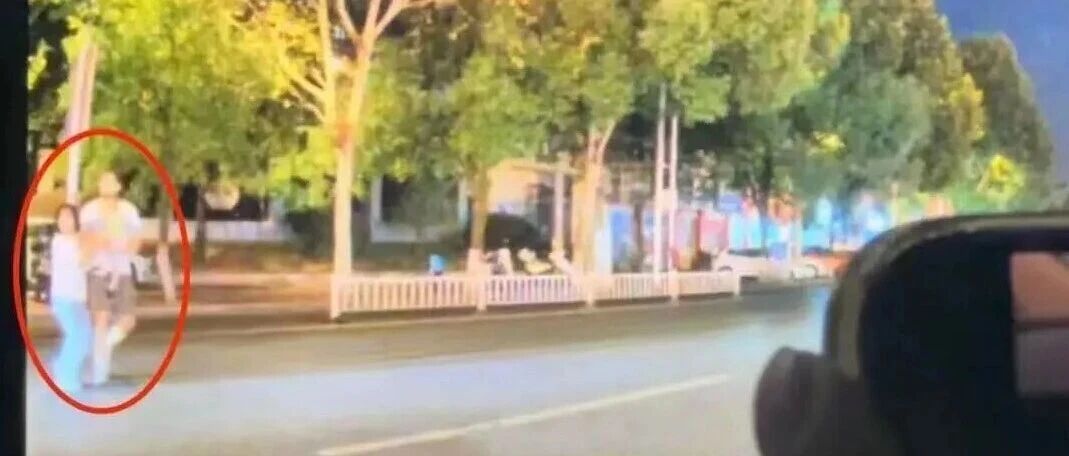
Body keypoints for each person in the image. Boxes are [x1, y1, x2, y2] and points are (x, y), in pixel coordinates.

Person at [79, 171, 142, 386]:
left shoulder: (128, 210)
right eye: (103, 181)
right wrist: (100, 242)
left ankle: (103, 347)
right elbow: (85, 239)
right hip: (98, 270)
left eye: (111, 181)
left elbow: (135, 240)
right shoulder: (90, 211)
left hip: (123, 271)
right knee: (101, 318)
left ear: (118, 186)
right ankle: (99, 371)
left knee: (127, 320)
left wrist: (125, 247)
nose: (106, 184)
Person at [48, 204, 91, 393]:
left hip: (78, 298)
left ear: (76, 220)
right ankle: (65, 377)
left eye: (69, 217)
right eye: (61, 217)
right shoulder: (59, 241)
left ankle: (61, 366)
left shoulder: (78, 240)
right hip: (63, 298)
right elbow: (82, 259)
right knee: (75, 337)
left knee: (84, 337)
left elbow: (86, 263)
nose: (64, 221)